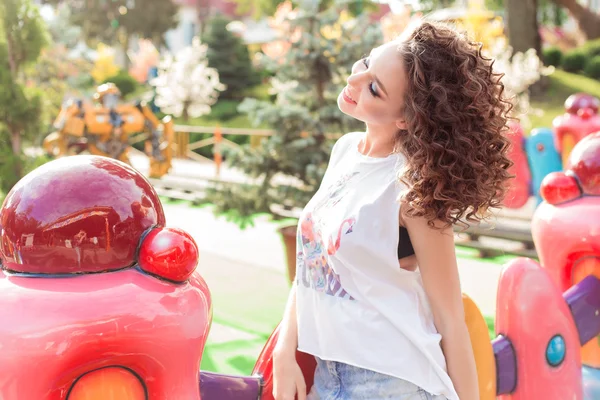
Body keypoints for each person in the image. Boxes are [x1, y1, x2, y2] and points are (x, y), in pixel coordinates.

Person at [272, 20, 513, 400]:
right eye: (366, 63)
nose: (355, 81)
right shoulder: (345, 152)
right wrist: (285, 351)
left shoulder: (414, 187)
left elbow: (450, 320)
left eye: (373, 88)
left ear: (406, 118)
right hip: (327, 376)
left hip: (392, 383)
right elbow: (313, 264)